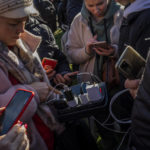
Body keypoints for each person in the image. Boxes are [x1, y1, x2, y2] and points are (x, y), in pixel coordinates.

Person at [0, 0, 63, 149]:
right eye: (14, 23)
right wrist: (32, 92)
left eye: (24, 21)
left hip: (48, 135)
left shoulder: (21, 45)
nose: (21, 30)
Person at [25, 16, 78, 85]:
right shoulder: (7, 44)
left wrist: (62, 74)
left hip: (54, 91)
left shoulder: (42, 29)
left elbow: (58, 58)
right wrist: (36, 80)